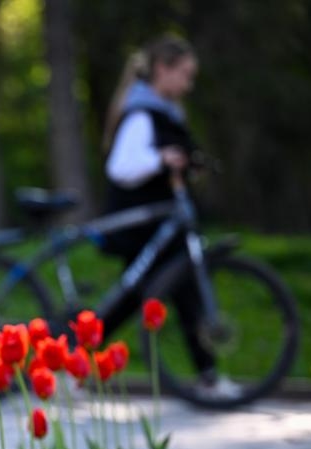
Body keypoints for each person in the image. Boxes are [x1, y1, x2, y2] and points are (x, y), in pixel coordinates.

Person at [100, 35, 237, 397]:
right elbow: (121, 167)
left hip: (161, 223)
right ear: (162, 69)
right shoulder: (143, 113)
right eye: (185, 74)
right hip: (141, 222)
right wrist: (161, 160)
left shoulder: (166, 113)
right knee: (147, 293)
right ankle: (207, 376)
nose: (188, 84)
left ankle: (74, 354)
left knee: (147, 293)